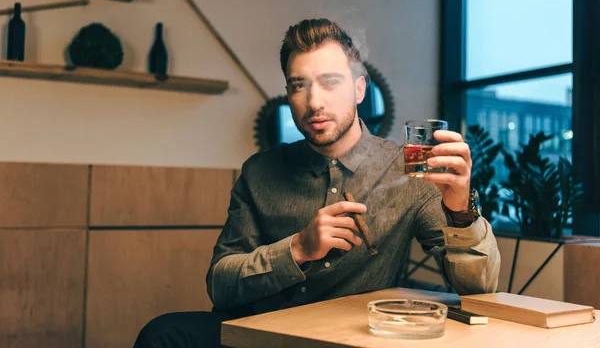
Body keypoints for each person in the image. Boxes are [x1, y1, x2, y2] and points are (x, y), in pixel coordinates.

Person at [133, 18, 501, 348]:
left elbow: (480, 289)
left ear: (359, 90)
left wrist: (460, 210)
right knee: (163, 333)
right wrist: (296, 249)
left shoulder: (407, 170)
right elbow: (221, 284)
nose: (313, 102)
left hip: (347, 338)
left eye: (330, 83)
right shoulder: (260, 170)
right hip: (259, 333)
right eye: (299, 86)